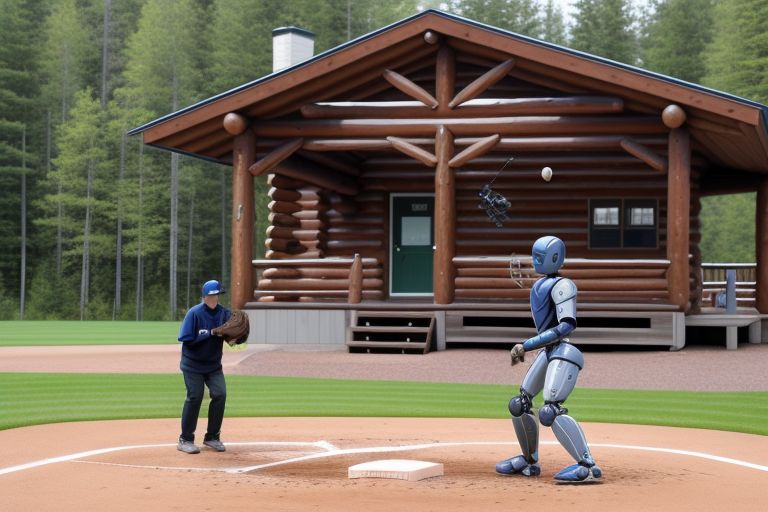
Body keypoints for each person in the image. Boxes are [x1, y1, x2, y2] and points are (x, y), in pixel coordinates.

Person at [496, 236, 602, 483]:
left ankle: (587, 466)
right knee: (519, 403)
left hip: (563, 352)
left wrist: (527, 345)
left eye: (539, 257)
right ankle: (528, 461)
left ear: (554, 258)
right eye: (533, 255)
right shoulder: (541, 286)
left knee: (549, 410)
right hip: (548, 352)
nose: (534, 261)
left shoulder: (564, 286)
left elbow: (566, 326)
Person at [176, 279, 231, 454]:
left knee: (220, 394)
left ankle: (212, 437)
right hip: (192, 365)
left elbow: (232, 336)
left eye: (218, 295)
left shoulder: (224, 314)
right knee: (195, 396)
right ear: (205, 296)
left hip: (213, 366)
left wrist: (238, 337)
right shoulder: (194, 314)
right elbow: (185, 338)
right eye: (213, 295)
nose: (216, 299)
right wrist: (210, 333)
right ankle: (185, 439)